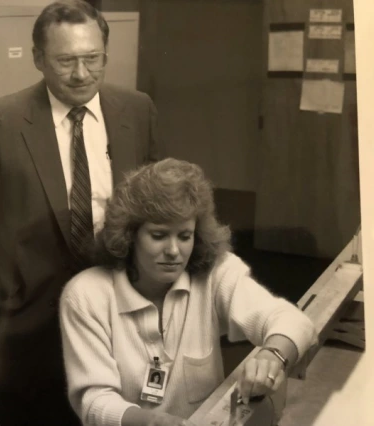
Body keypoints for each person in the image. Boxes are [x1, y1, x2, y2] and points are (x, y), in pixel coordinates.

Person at [0, 1, 160, 425]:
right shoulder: (3, 121)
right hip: (30, 325)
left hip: (119, 313)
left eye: (92, 59)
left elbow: (155, 212)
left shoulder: (138, 110)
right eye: (66, 61)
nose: (81, 74)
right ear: (38, 59)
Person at [59, 158, 318, 426]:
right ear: (129, 236)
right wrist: (151, 422)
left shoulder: (216, 272)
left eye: (184, 236)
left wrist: (271, 355)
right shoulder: (85, 295)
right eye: (158, 236)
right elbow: (94, 401)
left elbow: (294, 320)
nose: (174, 251)